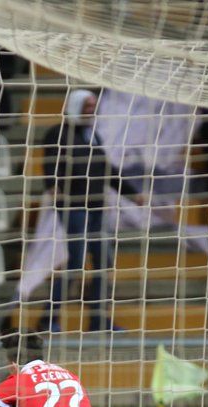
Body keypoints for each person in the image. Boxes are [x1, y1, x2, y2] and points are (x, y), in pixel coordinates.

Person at [41, 89, 146, 332]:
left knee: (102, 263)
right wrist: (52, 186)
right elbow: (50, 166)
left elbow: (107, 170)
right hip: (74, 205)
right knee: (76, 262)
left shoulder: (93, 135)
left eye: (93, 106)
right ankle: (49, 318)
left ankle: (98, 321)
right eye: (87, 106)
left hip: (97, 205)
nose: (91, 110)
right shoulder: (58, 134)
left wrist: (132, 193)